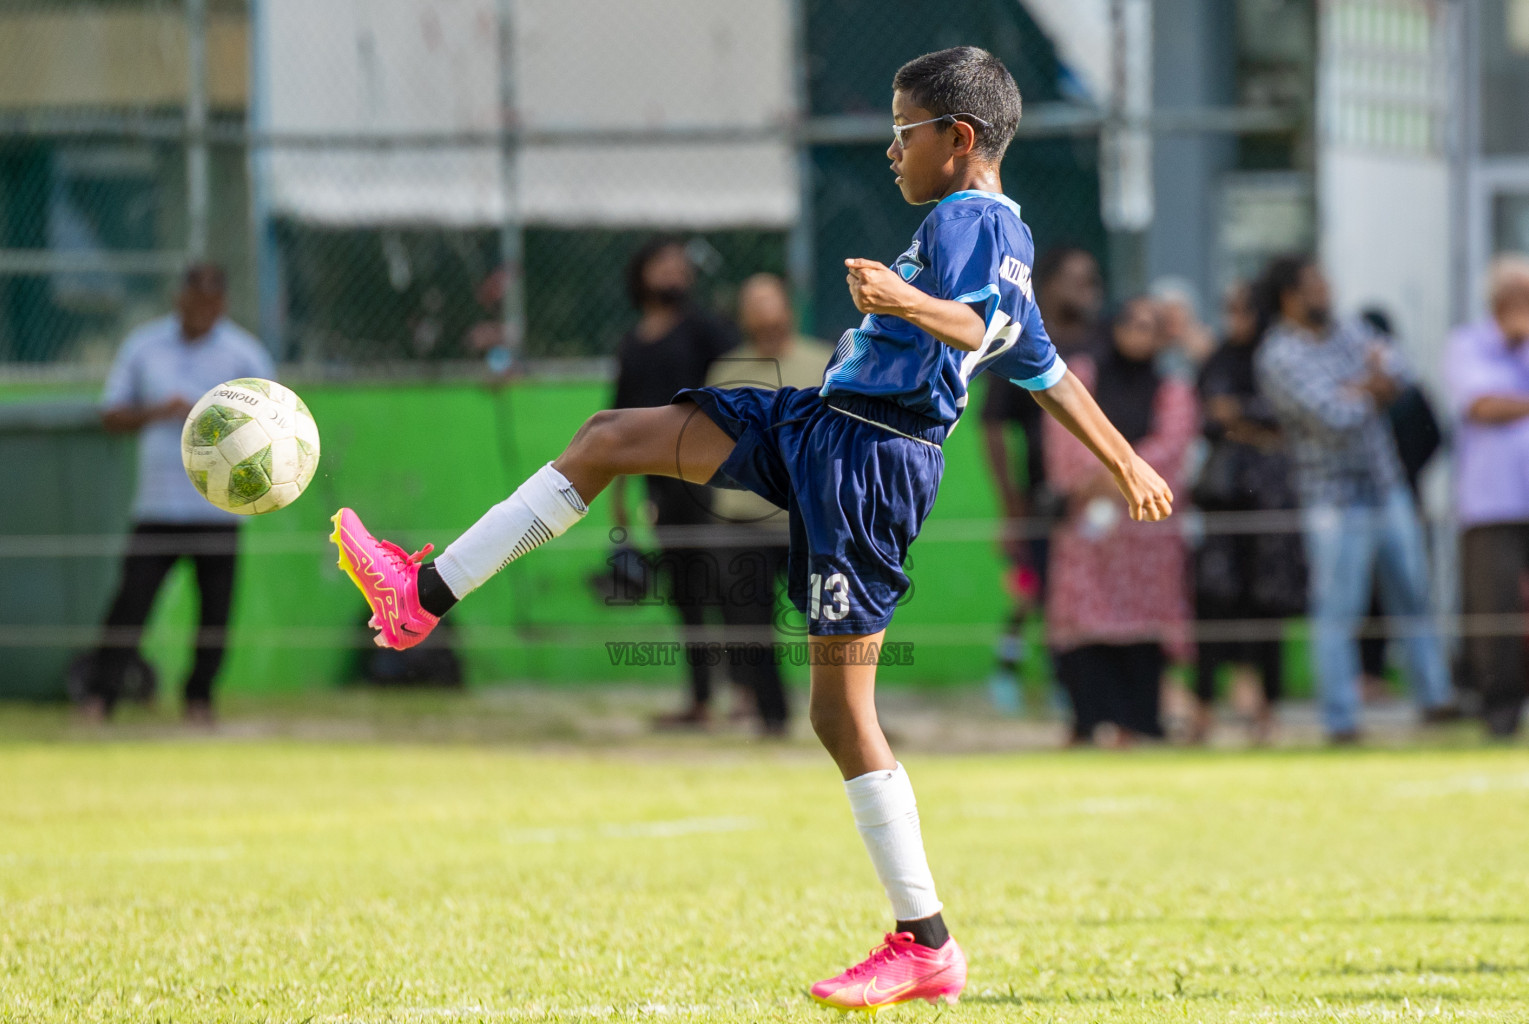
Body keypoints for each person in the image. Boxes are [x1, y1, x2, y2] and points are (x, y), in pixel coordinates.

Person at [328, 47, 1173, 1010]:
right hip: (819, 423)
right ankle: (419, 596)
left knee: (838, 714)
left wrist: (902, 300)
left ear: (959, 138)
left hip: (871, 464)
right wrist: (1125, 459)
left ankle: (926, 944)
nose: (890, 150)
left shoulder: (968, 218)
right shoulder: (1001, 234)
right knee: (607, 438)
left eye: (903, 132)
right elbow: (1042, 365)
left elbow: (981, 332)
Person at [1254, 256, 1456, 743]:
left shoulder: (1351, 330)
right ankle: (1341, 719)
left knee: (1413, 595)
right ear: (1291, 296)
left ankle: (1436, 699)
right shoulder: (1280, 354)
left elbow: (1403, 372)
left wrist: (1359, 389)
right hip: (1332, 500)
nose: (1327, 290)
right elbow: (1332, 417)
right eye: (1315, 284)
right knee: (1338, 609)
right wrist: (1372, 387)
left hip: (1387, 488)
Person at [87, 263, 273, 724]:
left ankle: (199, 699)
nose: (200, 313)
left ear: (223, 306)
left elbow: (275, 424)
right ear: (179, 299)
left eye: (211, 305)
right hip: (158, 504)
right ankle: (100, 696)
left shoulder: (243, 354)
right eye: (194, 303)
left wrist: (209, 418)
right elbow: (111, 415)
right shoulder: (143, 346)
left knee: (215, 614)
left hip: (218, 505)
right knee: (131, 602)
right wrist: (158, 411)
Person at [1044, 297, 1196, 745]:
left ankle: (1140, 723)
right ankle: (1089, 722)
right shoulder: (1083, 377)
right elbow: (1065, 432)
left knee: (1141, 633)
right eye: (1130, 322)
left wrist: (1126, 475)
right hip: (1088, 532)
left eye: (1149, 326)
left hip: (1146, 529)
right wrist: (1116, 474)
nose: (1138, 333)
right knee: (1085, 631)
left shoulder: (1171, 388)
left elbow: (1174, 444)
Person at [608, 237, 737, 729]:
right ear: (641, 274)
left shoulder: (703, 330)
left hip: (710, 477)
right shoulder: (633, 342)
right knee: (685, 592)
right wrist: (619, 493)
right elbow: (617, 418)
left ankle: (746, 693)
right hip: (659, 487)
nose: (675, 273)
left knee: (728, 587)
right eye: (664, 264)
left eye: (681, 266)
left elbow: (739, 373)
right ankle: (701, 701)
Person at [704, 274, 834, 736]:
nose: (766, 321)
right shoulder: (724, 372)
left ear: (789, 311)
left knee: (836, 625)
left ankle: (848, 716)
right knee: (749, 627)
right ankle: (772, 719)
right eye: (754, 309)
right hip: (743, 523)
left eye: (772, 307)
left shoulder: (826, 364)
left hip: (812, 521)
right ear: (744, 319)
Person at [978, 246, 1102, 711]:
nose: (1090, 288)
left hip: (1104, 501)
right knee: (1041, 592)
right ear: (1047, 285)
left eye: (1093, 278)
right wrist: (1011, 504)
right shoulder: (1022, 341)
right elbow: (993, 427)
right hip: (1043, 503)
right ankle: (1059, 688)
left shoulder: (1105, 343)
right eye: (1077, 278)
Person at [1190, 281, 1303, 744]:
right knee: (1214, 603)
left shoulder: (1277, 358)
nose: (1235, 319)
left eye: (1243, 310)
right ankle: (1204, 708)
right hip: (1222, 499)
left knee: (1266, 604)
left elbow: (1285, 416)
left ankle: (1265, 709)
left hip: (1269, 502)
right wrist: (1248, 423)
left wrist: (1243, 420)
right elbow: (1211, 415)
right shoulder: (1219, 359)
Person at [1445, 254, 1529, 738]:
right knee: (1494, 611)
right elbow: (1482, 404)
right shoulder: (1468, 344)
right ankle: (1500, 715)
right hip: (1492, 502)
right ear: (1498, 301)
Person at [1355, 306, 1443, 694]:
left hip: (1403, 498)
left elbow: (1433, 437)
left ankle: (1426, 687)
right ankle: (1367, 676)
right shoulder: (1355, 386)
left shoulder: (1408, 389)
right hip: (1356, 499)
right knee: (1361, 596)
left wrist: (1406, 474)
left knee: (1411, 593)